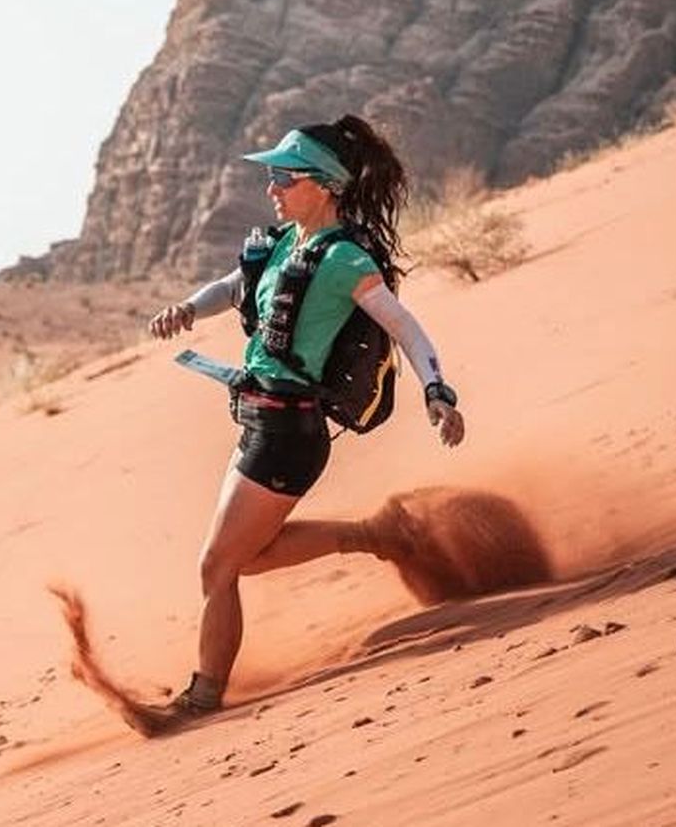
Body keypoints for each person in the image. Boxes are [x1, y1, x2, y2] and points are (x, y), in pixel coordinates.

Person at [139, 115, 465, 733]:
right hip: (258, 421)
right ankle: (375, 534)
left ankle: (203, 697)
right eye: (271, 176)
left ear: (322, 185)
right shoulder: (286, 244)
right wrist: (187, 308)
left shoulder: (343, 259)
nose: (272, 188)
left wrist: (437, 391)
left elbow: (405, 327)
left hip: (290, 434)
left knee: (218, 565)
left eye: (283, 177)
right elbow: (232, 286)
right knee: (249, 557)